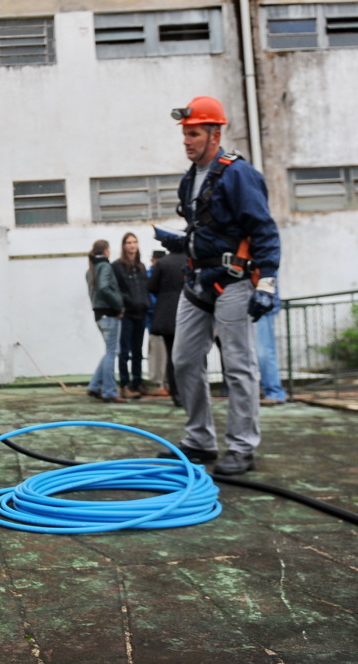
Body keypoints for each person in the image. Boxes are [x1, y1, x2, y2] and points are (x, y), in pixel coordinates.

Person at [155, 95, 281, 475]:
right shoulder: (190, 178)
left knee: (239, 366)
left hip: (235, 281)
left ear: (215, 132)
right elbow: (208, 230)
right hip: (197, 281)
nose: (187, 142)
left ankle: (242, 448)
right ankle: (200, 440)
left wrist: (268, 282)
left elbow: (263, 229)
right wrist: (178, 242)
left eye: (194, 134)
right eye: (185, 135)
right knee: (184, 360)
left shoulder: (239, 174)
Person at [86, 239, 126, 404]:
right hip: (109, 315)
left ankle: (95, 386)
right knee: (112, 352)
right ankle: (110, 391)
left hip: (99, 315)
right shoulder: (105, 266)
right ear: (107, 251)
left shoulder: (91, 268)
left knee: (110, 351)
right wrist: (118, 306)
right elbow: (104, 288)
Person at [111, 232, 150, 399]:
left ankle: (137, 382)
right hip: (126, 314)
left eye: (134, 242)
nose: (132, 245)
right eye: (129, 242)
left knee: (138, 351)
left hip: (141, 313)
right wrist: (122, 306)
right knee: (124, 351)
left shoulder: (141, 267)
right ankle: (125, 384)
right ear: (124, 246)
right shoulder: (117, 266)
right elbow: (116, 289)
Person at [147, 249, 187, 407]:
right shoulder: (189, 259)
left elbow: (151, 286)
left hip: (167, 316)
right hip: (188, 312)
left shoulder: (163, 264)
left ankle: (176, 394)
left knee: (171, 356)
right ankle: (191, 392)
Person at [256, 283, 287, 405]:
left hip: (261, 307)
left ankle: (274, 392)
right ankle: (272, 392)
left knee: (263, 351)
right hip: (242, 305)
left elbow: (268, 277)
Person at [146, 250, 170, 397]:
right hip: (156, 320)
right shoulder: (152, 276)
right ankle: (159, 383)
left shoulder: (154, 275)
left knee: (162, 354)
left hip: (158, 320)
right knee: (159, 354)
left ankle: (163, 383)